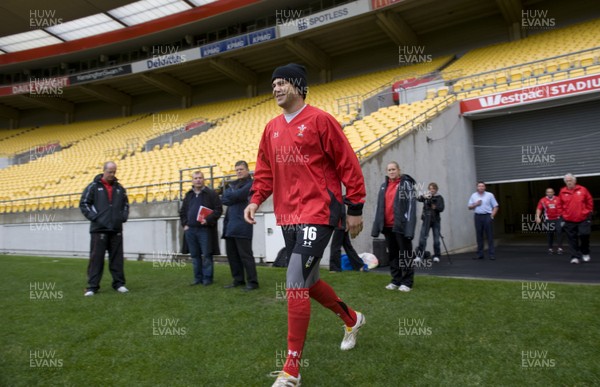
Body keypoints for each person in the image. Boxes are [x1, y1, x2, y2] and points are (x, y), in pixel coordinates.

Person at [244, 63, 366, 386]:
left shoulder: (320, 120)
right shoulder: (270, 128)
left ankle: (291, 370)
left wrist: (355, 206)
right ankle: (352, 320)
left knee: (294, 278)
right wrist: (255, 199)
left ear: (298, 85)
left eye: (282, 82)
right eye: (272, 84)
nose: (276, 89)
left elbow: (347, 162)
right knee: (308, 283)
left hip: (320, 211)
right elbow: (265, 171)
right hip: (288, 215)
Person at [79, 161, 129, 296]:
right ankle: (92, 287)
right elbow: (84, 204)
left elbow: (125, 205)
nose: (112, 174)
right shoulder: (93, 187)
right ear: (104, 171)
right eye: (110, 172)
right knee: (96, 259)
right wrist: (96, 218)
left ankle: (119, 284)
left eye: (114, 172)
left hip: (116, 229)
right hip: (99, 229)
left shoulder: (120, 188)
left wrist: (122, 217)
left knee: (117, 259)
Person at [371, 162, 417, 292]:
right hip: (388, 227)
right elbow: (379, 207)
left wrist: (409, 227)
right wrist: (377, 226)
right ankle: (395, 280)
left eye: (393, 169)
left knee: (406, 255)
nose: (391, 172)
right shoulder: (383, 187)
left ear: (399, 170)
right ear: (387, 172)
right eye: (389, 170)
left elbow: (411, 207)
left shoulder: (406, 185)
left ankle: (407, 282)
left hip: (401, 226)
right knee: (393, 255)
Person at [179, 170, 223, 286]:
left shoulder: (211, 194)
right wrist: (185, 224)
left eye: (200, 178)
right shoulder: (189, 195)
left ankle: (207, 279)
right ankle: (197, 278)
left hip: (205, 230)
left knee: (207, 255)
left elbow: (219, 210)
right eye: (196, 178)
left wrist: (208, 220)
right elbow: (182, 211)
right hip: (191, 230)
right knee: (194, 255)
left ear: (204, 179)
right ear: (192, 180)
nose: (198, 180)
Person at [222, 160, 258, 291]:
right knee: (232, 255)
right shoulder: (233, 184)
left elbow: (239, 195)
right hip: (230, 225)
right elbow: (224, 199)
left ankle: (253, 282)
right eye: (237, 170)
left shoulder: (251, 183)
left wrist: (231, 195)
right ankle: (238, 280)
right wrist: (232, 195)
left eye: (241, 169)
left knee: (246, 255)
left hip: (243, 224)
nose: (238, 172)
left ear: (247, 170)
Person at [559, 174, 593, 264]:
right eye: (567, 181)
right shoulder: (562, 191)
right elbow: (559, 205)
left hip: (583, 218)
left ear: (574, 181)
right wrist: (562, 215)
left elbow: (589, 201)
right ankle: (575, 257)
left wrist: (588, 212)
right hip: (569, 220)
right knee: (572, 239)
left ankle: (585, 252)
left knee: (584, 234)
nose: (569, 182)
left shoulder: (582, 189)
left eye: (570, 180)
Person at [329, 205, 367, 272]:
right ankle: (360, 266)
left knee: (335, 246)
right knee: (347, 246)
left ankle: (335, 268)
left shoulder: (339, 198)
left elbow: (341, 211)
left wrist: (344, 224)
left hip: (341, 225)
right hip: (341, 224)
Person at [468, 181, 499, 260]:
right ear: (477, 187)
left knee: (489, 235)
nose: (481, 187)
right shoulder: (473, 195)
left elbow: (496, 206)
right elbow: (469, 207)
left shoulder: (489, 195)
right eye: (479, 186)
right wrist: (476, 204)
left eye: (482, 186)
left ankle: (491, 254)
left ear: (485, 187)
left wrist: (492, 216)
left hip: (487, 216)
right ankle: (480, 254)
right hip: (478, 216)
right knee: (479, 235)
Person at [415, 182, 445, 263]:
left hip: (435, 221)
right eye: (430, 189)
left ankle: (437, 255)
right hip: (426, 220)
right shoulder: (426, 196)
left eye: (433, 189)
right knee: (422, 239)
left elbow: (442, 208)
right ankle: (419, 255)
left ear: (436, 190)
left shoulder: (439, 198)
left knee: (436, 240)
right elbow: (417, 198)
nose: (432, 190)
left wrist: (435, 207)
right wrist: (423, 196)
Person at [535, 188, 564, 254]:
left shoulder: (558, 199)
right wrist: (537, 217)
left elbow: (564, 207)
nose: (549, 193)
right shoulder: (542, 200)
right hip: (548, 219)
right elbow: (539, 209)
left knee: (559, 232)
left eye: (551, 192)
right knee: (550, 233)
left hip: (558, 218)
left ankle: (560, 248)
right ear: (546, 193)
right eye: (548, 192)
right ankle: (550, 248)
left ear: (553, 192)